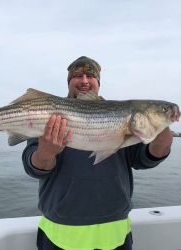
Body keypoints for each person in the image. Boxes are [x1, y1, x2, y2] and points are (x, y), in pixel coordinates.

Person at [22, 56, 173, 250]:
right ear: (69, 82)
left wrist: (162, 143)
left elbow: (143, 159)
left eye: (90, 76)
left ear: (98, 83)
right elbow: (32, 166)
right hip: (59, 235)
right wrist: (46, 153)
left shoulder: (124, 116)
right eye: (77, 76)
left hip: (115, 234)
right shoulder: (48, 114)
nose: (84, 80)